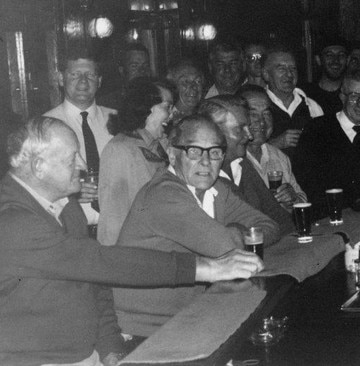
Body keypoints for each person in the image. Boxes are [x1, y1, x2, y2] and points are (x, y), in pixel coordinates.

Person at [0, 116, 263, 366]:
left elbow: (94, 283)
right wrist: (207, 268)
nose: (82, 163)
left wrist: (110, 347)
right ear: (38, 167)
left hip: (86, 354)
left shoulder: (65, 205)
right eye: (71, 159)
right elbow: (100, 262)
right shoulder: (11, 220)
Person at [113, 115, 278, 337]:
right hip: (147, 332)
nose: (206, 161)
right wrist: (238, 232)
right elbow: (226, 246)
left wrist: (234, 232)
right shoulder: (163, 194)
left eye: (215, 152)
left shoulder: (217, 189)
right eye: (194, 151)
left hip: (192, 316)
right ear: (173, 155)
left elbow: (269, 226)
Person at [294, 72, 360, 216]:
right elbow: (309, 184)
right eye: (354, 96)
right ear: (343, 97)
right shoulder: (317, 131)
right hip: (332, 219)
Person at [199, 96, 295, 235]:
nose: (249, 136)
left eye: (248, 127)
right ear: (213, 132)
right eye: (239, 129)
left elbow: (280, 218)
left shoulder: (242, 165)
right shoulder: (202, 177)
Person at [97, 77, 174, 247]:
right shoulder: (119, 150)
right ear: (146, 107)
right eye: (167, 107)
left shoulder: (162, 144)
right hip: (138, 252)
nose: (172, 114)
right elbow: (112, 221)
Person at [44, 48, 115, 228]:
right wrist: (70, 194)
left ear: (99, 81)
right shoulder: (45, 125)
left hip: (117, 230)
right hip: (70, 232)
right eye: (75, 74)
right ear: (61, 79)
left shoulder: (119, 120)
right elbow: (36, 184)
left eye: (90, 75)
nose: (83, 81)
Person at [238, 85, 308, 210]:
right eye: (253, 114)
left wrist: (293, 198)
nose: (262, 121)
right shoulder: (233, 160)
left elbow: (303, 200)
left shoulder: (278, 156)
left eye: (266, 113)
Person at [263, 46, 324, 158]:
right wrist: (275, 144)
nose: (289, 74)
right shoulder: (258, 106)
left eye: (293, 68)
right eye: (281, 69)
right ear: (266, 74)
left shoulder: (311, 106)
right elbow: (246, 152)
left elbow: (325, 148)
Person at [300, 36, 348, 115]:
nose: (336, 60)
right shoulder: (305, 95)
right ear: (318, 60)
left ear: (347, 60)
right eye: (329, 55)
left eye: (341, 55)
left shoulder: (352, 95)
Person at [97, 43, 152, 110]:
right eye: (134, 66)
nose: (142, 71)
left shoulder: (158, 100)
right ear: (122, 70)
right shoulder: (107, 104)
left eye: (146, 65)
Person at [166, 58, 205, 128]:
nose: (193, 86)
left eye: (198, 81)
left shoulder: (206, 115)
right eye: (185, 81)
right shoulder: (166, 120)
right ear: (173, 86)